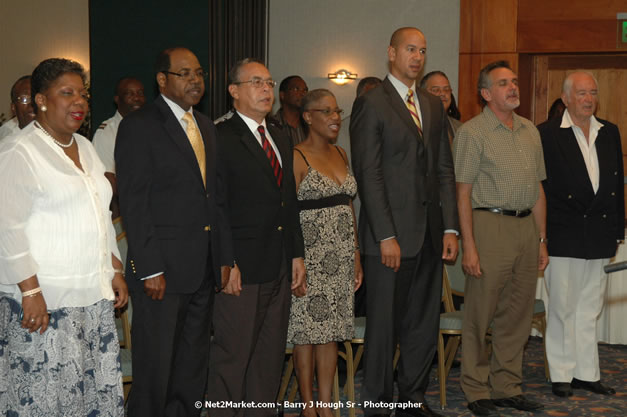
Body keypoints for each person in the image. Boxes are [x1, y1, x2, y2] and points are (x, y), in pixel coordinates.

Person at [0, 58, 128, 415]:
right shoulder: (18, 152)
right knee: (44, 398)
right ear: (41, 100)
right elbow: (7, 228)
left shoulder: (85, 147)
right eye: (67, 93)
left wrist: (113, 269)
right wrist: (30, 291)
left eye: (83, 94)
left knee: (89, 396)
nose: (79, 102)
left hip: (91, 298)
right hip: (46, 302)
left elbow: (99, 213)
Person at [114, 47, 234, 417]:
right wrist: (149, 267)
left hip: (202, 266)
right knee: (156, 369)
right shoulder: (139, 125)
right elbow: (134, 202)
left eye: (199, 72)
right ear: (162, 80)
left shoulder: (206, 127)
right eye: (185, 73)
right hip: (161, 272)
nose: (196, 80)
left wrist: (224, 256)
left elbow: (216, 198)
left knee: (191, 366)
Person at [350, 27, 458, 417]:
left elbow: (444, 169)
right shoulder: (372, 102)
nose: (417, 57)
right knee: (384, 327)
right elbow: (369, 173)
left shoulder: (431, 104)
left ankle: (413, 398)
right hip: (389, 241)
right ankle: (377, 404)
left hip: (430, 234)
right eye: (410, 49)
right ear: (392, 53)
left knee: (422, 324)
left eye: (423, 51)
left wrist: (449, 227)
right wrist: (386, 235)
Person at [208, 58, 306, 417]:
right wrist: (225, 260)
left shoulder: (280, 133)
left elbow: (288, 200)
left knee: (268, 356)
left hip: (278, 261)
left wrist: (296, 254)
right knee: (233, 356)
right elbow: (216, 206)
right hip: (240, 267)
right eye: (256, 83)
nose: (266, 89)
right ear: (234, 91)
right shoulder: (220, 136)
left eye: (268, 82)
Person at [453, 60, 547, 416]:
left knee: (517, 314)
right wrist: (470, 245)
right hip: (489, 226)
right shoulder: (472, 133)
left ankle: (507, 386)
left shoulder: (530, 131)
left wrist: (542, 239)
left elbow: (538, 188)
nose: (513, 88)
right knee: (481, 314)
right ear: (486, 93)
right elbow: (463, 193)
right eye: (503, 83)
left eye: (514, 82)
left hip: (527, 228)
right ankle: (477, 390)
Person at [539, 71, 623, 398]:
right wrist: (541, 236)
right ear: (566, 99)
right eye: (581, 94)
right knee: (561, 306)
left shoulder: (609, 132)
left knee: (590, 307)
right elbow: (541, 189)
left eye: (592, 93)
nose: (588, 100)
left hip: (600, 232)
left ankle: (587, 373)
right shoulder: (547, 133)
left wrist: (617, 230)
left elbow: (616, 184)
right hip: (564, 233)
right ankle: (561, 372)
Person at [287, 89, 363, 417]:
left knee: (331, 331)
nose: (335, 118)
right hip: (310, 257)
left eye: (337, 111)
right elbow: (286, 213)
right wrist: (295, 258)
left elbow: (349, 206)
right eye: (327, 111)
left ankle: (327, 405)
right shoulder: (295, 156)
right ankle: (307, 405)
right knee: (306, 331)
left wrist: (357, 253)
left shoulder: (341, 153)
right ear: (308, 116)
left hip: (342, 258)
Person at [93, 77, 145, 217]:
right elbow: (108, 179)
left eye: (140, 93)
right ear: (117, 99)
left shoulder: (152, 128)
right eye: (130, 94)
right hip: (124, 212)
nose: (137, 98)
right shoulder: (107, 132)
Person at [420, 70, 462, 146]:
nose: (442, 94)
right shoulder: (416, 125)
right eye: (436, 90)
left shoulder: (460, 128)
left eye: (446, 89)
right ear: (422, 94)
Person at [273, 75, 308, 146]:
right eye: (296, 89)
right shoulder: (272, 125)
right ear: (282, 95)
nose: (302, 93)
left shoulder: (310, 126)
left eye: (305, 90)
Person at [0, 75, 35, 140]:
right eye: (24, 99)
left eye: (37, 98)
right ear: (13, 108)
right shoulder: (5, 141)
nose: (33, 104)